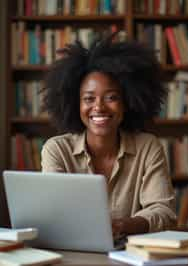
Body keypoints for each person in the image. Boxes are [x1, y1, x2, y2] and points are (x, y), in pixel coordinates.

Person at [41, 35, 177, 238]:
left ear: (127, 102)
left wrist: (125, 225)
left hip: (131, 254)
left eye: (111, 97)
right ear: (74, 104)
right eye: (89, 98)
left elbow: (164, 211)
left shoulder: (148, 147)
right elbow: (54, 212)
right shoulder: (57, 150)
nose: (99, 107)